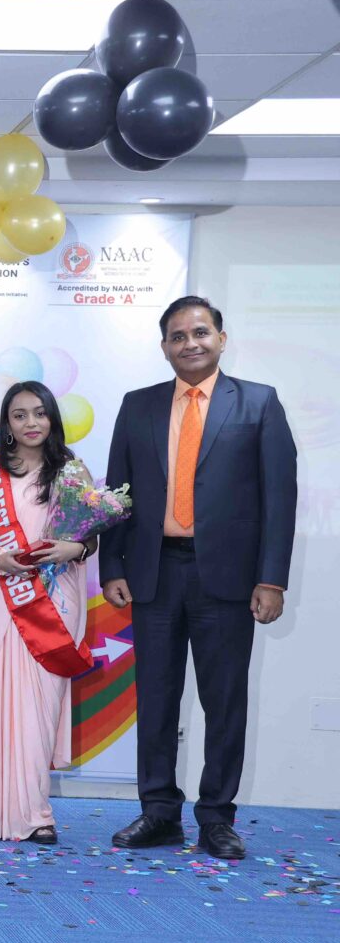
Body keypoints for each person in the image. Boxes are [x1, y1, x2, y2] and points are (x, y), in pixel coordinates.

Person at [102, 296, 296, 861]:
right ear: (164, 346)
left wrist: (272, 579)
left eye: (200, 333)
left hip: (229, 579)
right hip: (154, 572)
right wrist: (112, 566)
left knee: (224, 701)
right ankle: (159, 812)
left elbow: (279, 497)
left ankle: (216, 818)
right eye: (178, 336)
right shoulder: (137, 405)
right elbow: (117, 494)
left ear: (221, 339)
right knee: (156, 700)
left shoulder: (258, 402)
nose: (190, 343)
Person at [0, 382, 94, 844]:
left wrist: (74, 548)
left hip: (56, 598)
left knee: (42, 704)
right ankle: (4, 813)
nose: (31, 423)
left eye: (39, 413)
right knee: (3, 702)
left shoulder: (72, 470)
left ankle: (37, 812)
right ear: (7, 424)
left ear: (52, 417)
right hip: (2, 593)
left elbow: (91, 536)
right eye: (20, 415)